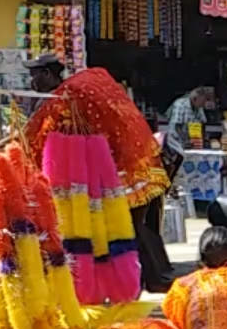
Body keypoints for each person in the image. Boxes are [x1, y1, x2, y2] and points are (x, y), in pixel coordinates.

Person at [25, 54, 177, 292]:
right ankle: (152, 277)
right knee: (134, 227)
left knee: (124, 230)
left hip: (114, 177)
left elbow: (34, 139)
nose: (32, 81)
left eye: (34, 75)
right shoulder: (77, 89)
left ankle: (143, 280)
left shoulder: (64, 98)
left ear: (46, 74)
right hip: (131, 169)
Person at [162, 86, 216, 153]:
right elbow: (177, 127)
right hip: (176, 141)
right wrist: (185, 141)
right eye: (202, 102)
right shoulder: (180, 104)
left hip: (191, 142)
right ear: (195, 99)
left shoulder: (198, 107)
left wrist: (203, 136)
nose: (203, 104)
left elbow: (202, 122)